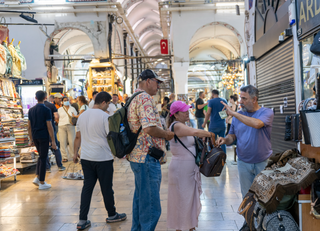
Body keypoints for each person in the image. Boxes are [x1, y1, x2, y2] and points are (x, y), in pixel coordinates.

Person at [127, 69, 174, 231]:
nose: (158, 86)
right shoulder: (145, 98)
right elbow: (149, 128)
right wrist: (167, 135)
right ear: (148, 81)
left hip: (137, 156)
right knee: (152, 206)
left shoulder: (133, 97)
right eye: (157, 82)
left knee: (141, 200)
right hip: (146, 157)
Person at [73, 92, 127, 230]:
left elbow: (78, 137)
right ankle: (112, 214)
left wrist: (75, 153)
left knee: (87, 188)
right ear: (103, 102)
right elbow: (111, 137)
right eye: (108, 103)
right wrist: (118, 153)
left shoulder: (82, 116)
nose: (108, 106)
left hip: (86, 158)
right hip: (103, 158)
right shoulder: (106, 117)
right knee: (106, 188)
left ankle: (82, 220)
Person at [216, 85, 274, 197]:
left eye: (244, 99)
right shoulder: (239, 115)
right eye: (240, 98)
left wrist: (234, 114)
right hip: (243, 162)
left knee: (265, 197)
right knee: (247, 198)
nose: (240, 102)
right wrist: (225, 139)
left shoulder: (266, 112)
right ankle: (250, 215)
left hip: (262, 162)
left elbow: (257, 124)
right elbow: (232, 137)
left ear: (254, 99)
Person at [167, 101, 214, 231]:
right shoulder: (176, 126)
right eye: (184, 111)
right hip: (180, 169)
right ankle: (181, 227)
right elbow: (195, 132)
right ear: (175, 115)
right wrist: (211, 134)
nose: (187, 112)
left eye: (187, 110)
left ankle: (189, 226)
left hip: (188, 168)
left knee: (188, 198)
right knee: (182, 199)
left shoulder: (182, 124)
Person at [28, 91, 57, 190]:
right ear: (45, 97)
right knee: (44, 158)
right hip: (44, 136)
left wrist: (31, 139)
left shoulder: (31, 110)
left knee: (41, 156)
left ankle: (37, 177)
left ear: (35, 98)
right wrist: (53, 141)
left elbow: (29, 127)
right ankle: (42, 182)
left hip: (35, 136)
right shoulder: (47, 110)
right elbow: (49, 126)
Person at [43, 92, 65, 172]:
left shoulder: (34, 108)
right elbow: (56, 117)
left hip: (42, 131)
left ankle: (47, 168)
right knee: (55, 146)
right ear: (47, 97)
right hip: (51, 128)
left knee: (44, 149)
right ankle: (60, 165)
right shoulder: (51, 106)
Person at [58, 96, 77, 162]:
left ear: (69, 101)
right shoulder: (60, 109)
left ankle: (73, 155)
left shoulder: (73, 109)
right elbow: (57, 118)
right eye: (65, 100)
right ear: (62, 102)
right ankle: (64, 157)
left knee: (72, 141)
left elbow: (75, 117)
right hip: (62, 126)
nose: (66, 101)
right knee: (63, 142)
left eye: (67, 100)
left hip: (70, 126)